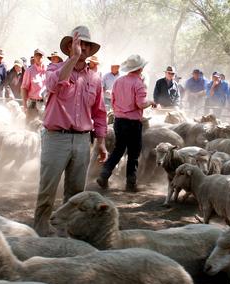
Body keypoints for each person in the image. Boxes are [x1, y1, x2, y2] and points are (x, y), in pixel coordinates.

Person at [33, 25, 107, 236]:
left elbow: (100, 112)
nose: (82, 48)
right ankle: (39, 230)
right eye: (78, 43)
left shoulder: (94, 78)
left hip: (83, 140)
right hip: (56, 138)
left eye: (86, 45)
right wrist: (73, 59)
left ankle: (67, 232)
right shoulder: (53, 70)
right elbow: (55, 85)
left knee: (76, 193)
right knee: (48, 188)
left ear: (91, 49)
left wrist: (101, 141)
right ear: (69, 46)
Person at [96, 54, 155, 192]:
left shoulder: (118, 81)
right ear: (140, 69)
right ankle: (131, 183)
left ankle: (104, 174)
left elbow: (113, 100)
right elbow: (140, 104)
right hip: (133, 122)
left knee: (118, 149)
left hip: (119, 121)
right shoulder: (139, 84)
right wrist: (151, 102)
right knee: (134, 153)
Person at [21, 48, 46, 121]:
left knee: (43, 126)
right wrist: (25, 105)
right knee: (30, 126)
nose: (39, 57)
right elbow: (24, 88)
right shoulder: (29, 71)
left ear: (43, 57)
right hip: (33, 103)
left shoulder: (48, 70)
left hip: (44, 104)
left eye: (40, 56)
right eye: (37, 55)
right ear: (34, 57)